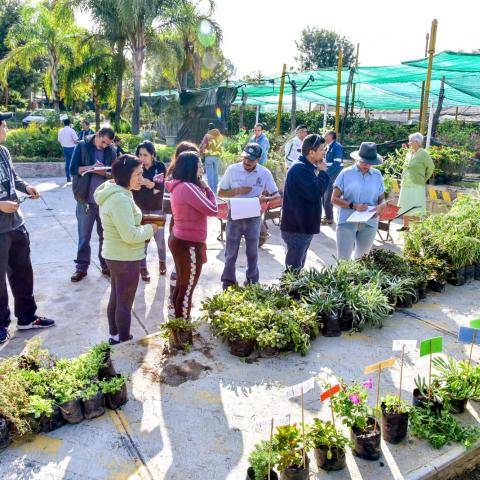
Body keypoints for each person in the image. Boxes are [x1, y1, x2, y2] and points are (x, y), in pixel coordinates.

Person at [0, 112, 55, 344]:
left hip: (16, 225)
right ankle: (1, 324)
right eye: (4, 125)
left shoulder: (3, 152)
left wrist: (27, 187)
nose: (7, 129)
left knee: (23, 273)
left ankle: (27, 317)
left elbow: (13, 177)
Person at [94, 155, 157, 344]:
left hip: (116, 255)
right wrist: (151, 229)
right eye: (137, 174)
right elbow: (129, 235)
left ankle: (114, 336)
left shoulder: (115, 192)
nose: (141, 178)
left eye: (142, 173)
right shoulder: (119, 199)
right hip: (125, 257)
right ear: (124, 176)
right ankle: (124, 341)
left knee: (116, 296)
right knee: (124, 301)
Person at [218, 143, 279, 289]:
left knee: (252, 252)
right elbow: (220, 193)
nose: (247, 161)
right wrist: (238, 190)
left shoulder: (264, 173)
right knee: (231, 252)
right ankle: (228, 281)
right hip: (235, 215)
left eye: (251, 159)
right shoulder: (232, 170)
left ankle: (252, 281)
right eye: (246, 157)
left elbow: (276, 195)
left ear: (258, 159)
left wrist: (265, 199)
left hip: (254, 217)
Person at [166, 152, 217, 320]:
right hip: (188, 244)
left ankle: (176, 322)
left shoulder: (180, 185)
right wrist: (208, 189)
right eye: (199, 165)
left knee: (181, 286)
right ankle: (183, 327)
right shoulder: (187, 187)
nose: (202, 168)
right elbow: (212, 209)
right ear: (191, 168)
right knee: (186, 290)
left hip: (181, 239)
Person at [70, 127, 117, 282]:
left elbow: (114, 174)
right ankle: (81, 268)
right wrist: (92, 168)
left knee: (105, 236)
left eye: (107, 144)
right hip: (85, 200)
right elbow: (73, 169)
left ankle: (106, 266)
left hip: (104, 201)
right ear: (97, 134)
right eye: (102, 142)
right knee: (84, 237)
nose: (104, 146)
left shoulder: (111, 150)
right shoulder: (82, 146)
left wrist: (104, 173)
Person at [281, 134, 330, 271]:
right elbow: (315, 193)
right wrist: (323, 173)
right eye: (322, 149)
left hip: (302, 227)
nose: (324, 152)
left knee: (297, 267)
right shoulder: (300, 169)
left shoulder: (307, 167)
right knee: (293, 270)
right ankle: (289, 292)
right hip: (297, 229)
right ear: (311, 152)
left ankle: (292, 291)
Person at [332, 142, 386, 260]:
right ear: (357, 159)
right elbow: (334, 199)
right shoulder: (346, 173)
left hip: (369, 223)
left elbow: (382, 199)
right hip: (347, 221)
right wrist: (353, 205)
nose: (366, 164)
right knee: (343, 261)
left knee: (362, 261)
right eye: (364, 161)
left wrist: (382, 206)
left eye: (370, 162)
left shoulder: (377, 175)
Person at [132, 140, 167, 281]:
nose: (142, 158)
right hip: (140, 210)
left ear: (153, 155)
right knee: (143, 241)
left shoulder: (160, 167)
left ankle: (162, 262)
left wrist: (150, 184)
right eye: (139, 155)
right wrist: (151, 185)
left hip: (158, 209)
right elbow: (134, 187)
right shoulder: (135, 168)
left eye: (145, 155)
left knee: (160, 239)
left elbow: (161, 187)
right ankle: (143, 268)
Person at [397, 132, 435, 231]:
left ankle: (416, 229)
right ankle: (405, 226)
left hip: (417, 185)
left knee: (416, 207)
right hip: (406, 183)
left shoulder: (423, 154)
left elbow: (431, 167)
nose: (409, 143)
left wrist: (424, 179)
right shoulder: (409, 153)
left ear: (417, 142)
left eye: (410, 141)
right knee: (405, 204)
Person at [322, 130, 344, 225]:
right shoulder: (328, 146)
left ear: (331, 136)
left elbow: (337, 163)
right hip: (328, 175)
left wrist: (327, 172)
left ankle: (330, 217)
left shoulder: (337, 146)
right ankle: (327, 215)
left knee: (328, 197)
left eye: (326, 135)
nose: (324, 137)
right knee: (324, 196)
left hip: (332, 175)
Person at [200, 123, 223, 193]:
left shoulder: (207, 135)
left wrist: (201, 153)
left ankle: (211, 190)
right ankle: (215, 189)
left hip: (209, 156)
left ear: (208, 129)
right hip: (217, 156)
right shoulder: (219, 135)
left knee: (210, 173)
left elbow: (204, 145)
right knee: (215, 173)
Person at [57, 118, 78, 183]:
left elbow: (59, 140)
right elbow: (76, 140)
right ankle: (75, 176)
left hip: (65, 148)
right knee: (75, 163)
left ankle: (68, 177)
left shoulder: (60, 130)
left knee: (67, 163)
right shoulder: (71, 130)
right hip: (72, 148)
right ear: (69, 123)